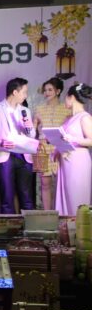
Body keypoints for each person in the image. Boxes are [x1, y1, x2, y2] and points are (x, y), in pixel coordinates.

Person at [0, 78, 40, 214]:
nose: (26, 95)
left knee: (26, 196)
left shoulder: (25, 110)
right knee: (6, 196)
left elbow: (31, 135)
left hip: (24, 156)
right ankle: (8, 226)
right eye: (24, 92)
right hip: (4, 155)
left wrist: (28, 127)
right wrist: (0, 141)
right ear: (15, 92)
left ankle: (29, 225)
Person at [34, 77, 72, 210]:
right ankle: (47, 213)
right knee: (44, 183)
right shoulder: (39, 109)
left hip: (60, 148)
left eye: (50, 90)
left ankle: (63, 213)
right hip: (41, 148)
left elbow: (71, 130)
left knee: (62, 183)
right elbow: (32, 131)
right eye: (45, 90)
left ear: (58, 91)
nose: (47, 93)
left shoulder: (67, 109)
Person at [55, 83, 92, 215]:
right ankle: (66, 226)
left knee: (76, 198)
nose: (64, 100)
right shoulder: (69, 118)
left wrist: (73, 139)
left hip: (78, 162)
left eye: (65, 97)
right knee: (66, 197)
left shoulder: (84, 117)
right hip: (66, 161)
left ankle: (79, 226)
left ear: (71, 97)